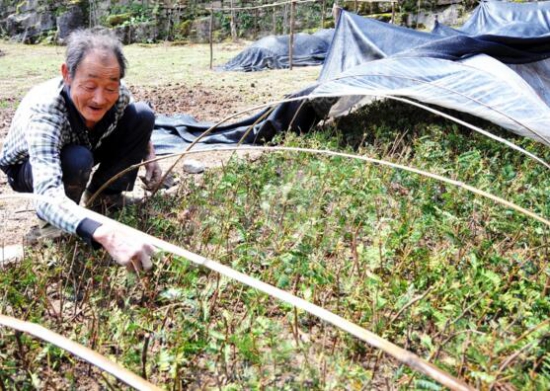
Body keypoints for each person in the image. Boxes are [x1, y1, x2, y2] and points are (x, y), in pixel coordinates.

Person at [0, 27, 162, 272]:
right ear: (67, 74)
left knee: (142, 115)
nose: (99, 99)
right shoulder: (46, 110)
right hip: (29, 167)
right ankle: (57, 228)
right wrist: (101, 232)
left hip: (86, 143)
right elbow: (46, 195)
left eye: (110, 87)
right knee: (77, 159)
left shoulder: (119, 95)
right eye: (89, 86)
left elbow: (135, 123)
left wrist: (149, 154)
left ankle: (106, 199)